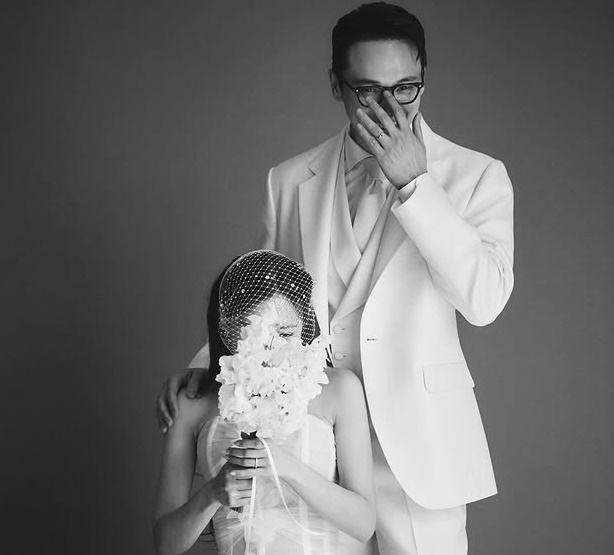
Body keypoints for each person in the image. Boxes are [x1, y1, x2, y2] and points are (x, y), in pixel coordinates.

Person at [157, 3, 514, 554]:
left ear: (424, 79)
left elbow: (485, 300)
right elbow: (263, 297)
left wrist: (416, 185)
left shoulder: (475, 176)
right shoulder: (287, 180)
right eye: (367, 91)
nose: (389, 108)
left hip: (416, 450)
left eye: (406, 89)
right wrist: (207, 368)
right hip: (309, 440)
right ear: (336, 85)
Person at [153, 250, 375, 555]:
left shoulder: (339, 389)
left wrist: (287, 467)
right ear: (228, 330)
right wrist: (212, 494)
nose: (273, 349)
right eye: (254, 334)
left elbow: (363, 524)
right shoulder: (192, 402)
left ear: (304, 324)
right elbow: (165, 544)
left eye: (286, 332)